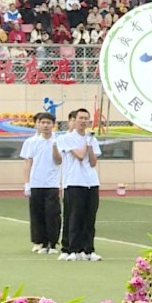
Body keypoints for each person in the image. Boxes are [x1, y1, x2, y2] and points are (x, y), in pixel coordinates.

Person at [57, 108, 102, 262]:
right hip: (74, 182)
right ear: (74, 120)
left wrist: (89, 144)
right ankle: (72, 248)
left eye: (86, 118)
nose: (83, 121)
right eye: (80, 118)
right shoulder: (67, 138)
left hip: (91, 182)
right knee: (74, 217)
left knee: (90, 217)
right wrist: (87, 143)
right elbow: (79, 156)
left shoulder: (91, 139)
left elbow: (93, 161)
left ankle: (88, 249)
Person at [21, 111, 62, 254]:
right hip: (36, 183)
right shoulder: (31, 142)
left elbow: (59, 160)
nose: (45, 125)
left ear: (53, 125)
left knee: (53, 214)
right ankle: (39, 241)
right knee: (36, 213)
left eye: (48, 123)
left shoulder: (58, 140)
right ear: (38, 124)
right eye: (42, 122)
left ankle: (52, 242)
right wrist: (27, 183)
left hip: (52, 183)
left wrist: (55, 146)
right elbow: (28, 162)